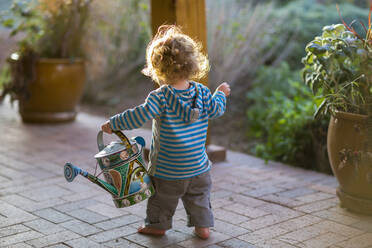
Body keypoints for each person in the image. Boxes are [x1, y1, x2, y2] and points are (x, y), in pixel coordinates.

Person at [101, 25, 230, 240]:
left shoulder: (160, 97)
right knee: (199, 197)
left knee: (161, 199)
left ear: (158, 68)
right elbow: (217, 109)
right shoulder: (203, 93)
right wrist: (221, 94)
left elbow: (137, 116)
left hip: (167, 170)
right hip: (198, 167)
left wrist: (113, 124)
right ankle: (203, 228)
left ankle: (158, 226)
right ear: (193, 64)